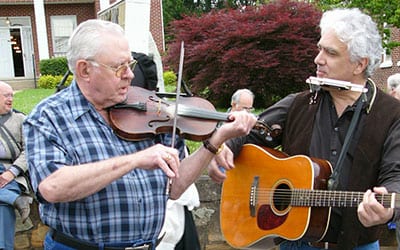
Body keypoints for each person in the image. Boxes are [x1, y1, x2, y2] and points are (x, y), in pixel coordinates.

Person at [23, 19, 256, 250]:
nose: (130, 75)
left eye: (130, 64)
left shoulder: (150, 109)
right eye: (119, 67)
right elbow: (51, 187)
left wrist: (216, 140)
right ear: (85, 70)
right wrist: (134, 160)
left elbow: (174, 188)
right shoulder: (49, 116)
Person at [209, 8, 400, 250]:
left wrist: (388, 209)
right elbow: (251, 130)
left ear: (359, 64)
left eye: (330, 53)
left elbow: (396, 175)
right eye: (320, 48)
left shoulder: (392, 114)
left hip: (355, 243)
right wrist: (224, 146)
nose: (318, 59)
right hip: (294, 240)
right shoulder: (299, 103)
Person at [0, 81, 32, 250]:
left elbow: (29, 152)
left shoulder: (21, 120)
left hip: (10, 172)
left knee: (2, 205)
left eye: (12, 95)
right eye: (6, 95)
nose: (10, 99)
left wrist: (11, 173)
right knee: (5, 200)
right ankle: (15, 200)